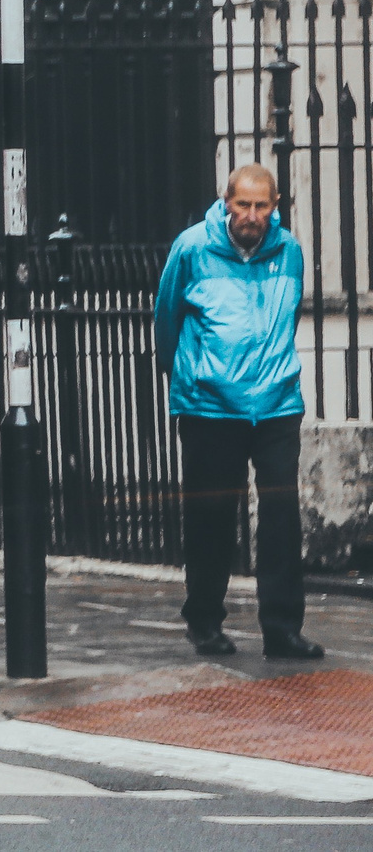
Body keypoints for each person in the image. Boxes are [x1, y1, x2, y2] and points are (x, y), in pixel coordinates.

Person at [153, 163, 320, 659]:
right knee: (210, 518)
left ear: (276, 204)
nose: (251, 215)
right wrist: (186, 378)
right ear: (225, 201)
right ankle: (204, 621)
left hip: (275, 406)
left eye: (261, 205)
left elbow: (286, 319)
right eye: (242, 204)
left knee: (281, 518)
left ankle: (283, 629)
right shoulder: (191, 248)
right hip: (210, 407)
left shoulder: (289, 251)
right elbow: (167, 319)